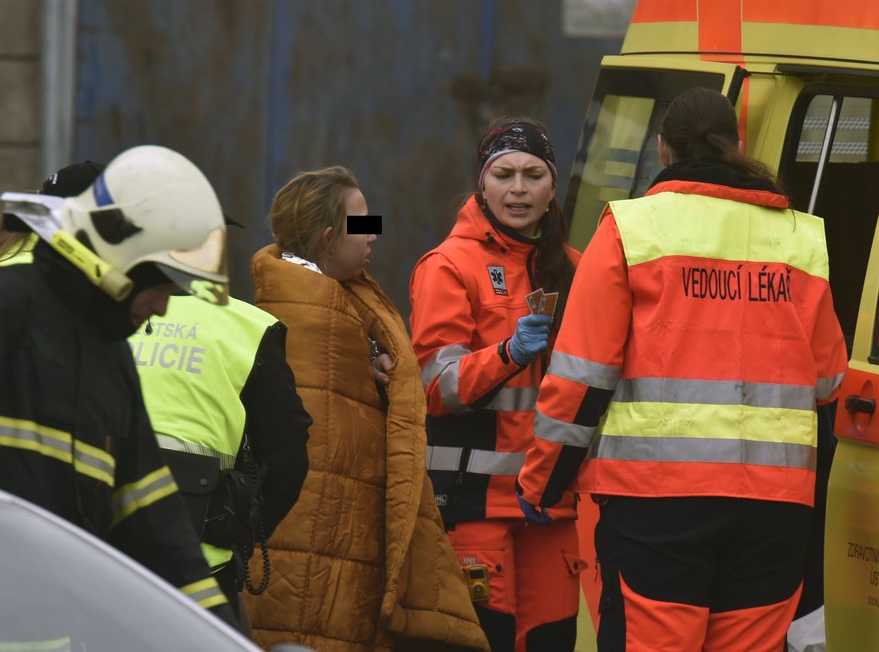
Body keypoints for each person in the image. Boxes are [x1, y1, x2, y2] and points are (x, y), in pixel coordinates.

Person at [516, 87, 848, 652]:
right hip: (775, 512)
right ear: (736, 146)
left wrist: (542, 483)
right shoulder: (800, 238)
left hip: (658, 508)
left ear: (662, 151)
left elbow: (582, 376)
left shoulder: (631, 229)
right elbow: (828, 382)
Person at [0, 146, 240, 631]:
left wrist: (214, 630)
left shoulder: (111, 358)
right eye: (163, 287)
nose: (163, 309)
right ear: (126, 265)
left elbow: (159, 527)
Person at [245, 166, 490, 652]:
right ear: (328, 235)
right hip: (315, 556)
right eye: (361, 223)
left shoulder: (344, 313)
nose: (373, 232)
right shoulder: (306, 323)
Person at [409, 117, 583, 652]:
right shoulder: (449, 266)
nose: (518, 188)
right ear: (481, 183)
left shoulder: (577, 269)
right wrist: (508, 354)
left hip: (554, 509)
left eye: (533, 174)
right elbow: (438, 388)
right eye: (504, 173)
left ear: (553, 186)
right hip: (476, 508)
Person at [128, 288, 312, 627]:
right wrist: (244, 529)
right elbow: (287, 456)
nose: (371, 237)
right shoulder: (249, 326)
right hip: (203, 566)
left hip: (97, 552)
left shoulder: (107, 311)